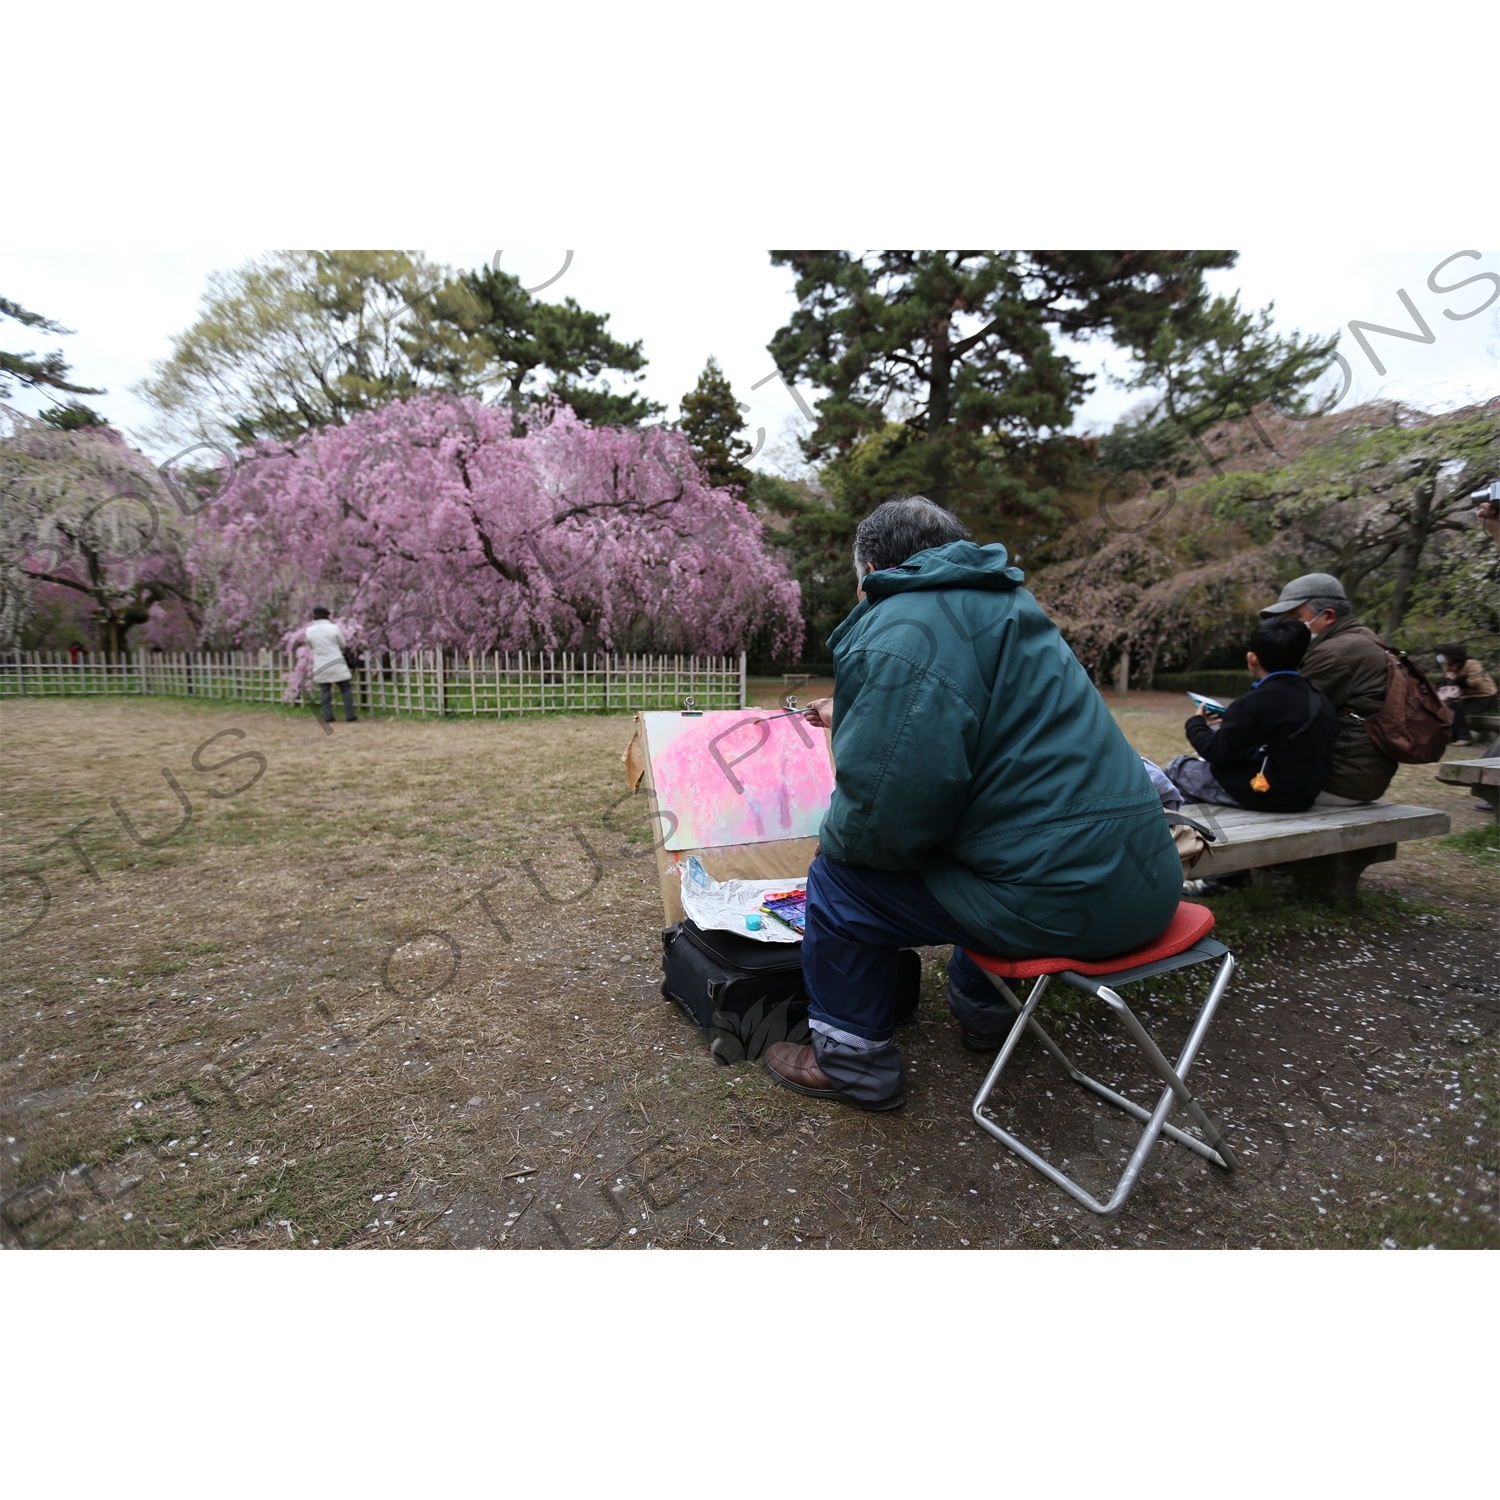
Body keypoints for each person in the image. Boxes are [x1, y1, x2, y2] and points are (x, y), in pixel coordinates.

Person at [762, 496, 1182, 1112]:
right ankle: (988, 1017)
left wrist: (844, 838)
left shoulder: (899, 630)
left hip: (1062, 905)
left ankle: (852, 1063)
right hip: (1146, 888)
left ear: (871, 570)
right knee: (981, 861)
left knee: (839, 878)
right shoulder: (1011, 608)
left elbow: (883, 819)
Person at [1164, 617, 1338, 812]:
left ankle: (1182, 831)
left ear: (1252, 658)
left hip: (1263, 792)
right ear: (1302, 659)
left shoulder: (1253, 702)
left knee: (1178, 768)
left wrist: (1196, 723)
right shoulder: (1318, 698)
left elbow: (1215, 752)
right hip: (1303, 795)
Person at [1259, 572, 1394, 803]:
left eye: (1295, 617)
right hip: (1362, 775)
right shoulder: (1363, 638)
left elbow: (1280, 714)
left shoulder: (1335, 653)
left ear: (1328, 615)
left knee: (1198, 776)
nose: (1286, 626)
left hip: (1338, 778)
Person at [1434, 642, 1496, 747]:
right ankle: (1453, 736)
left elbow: (1475, 682)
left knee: (1457, 708)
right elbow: (1450, 683)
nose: (1443, 658)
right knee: (1448, 708)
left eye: (1445, 655)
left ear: (1453, 655)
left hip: (1484, 697)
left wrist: (1456, 679)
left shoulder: (1471, 664)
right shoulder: (1450, 666)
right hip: (1468, 697)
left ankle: (1464, 738)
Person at [305, 606, 357, 723]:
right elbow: (342, 644)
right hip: (336, 661)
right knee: (345, 689)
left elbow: (310, 645)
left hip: (321, 662)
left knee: (324, 691)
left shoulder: (310, 630)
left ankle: (328, 716)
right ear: (327, 615)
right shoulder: (334, 628)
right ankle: (349, 715)